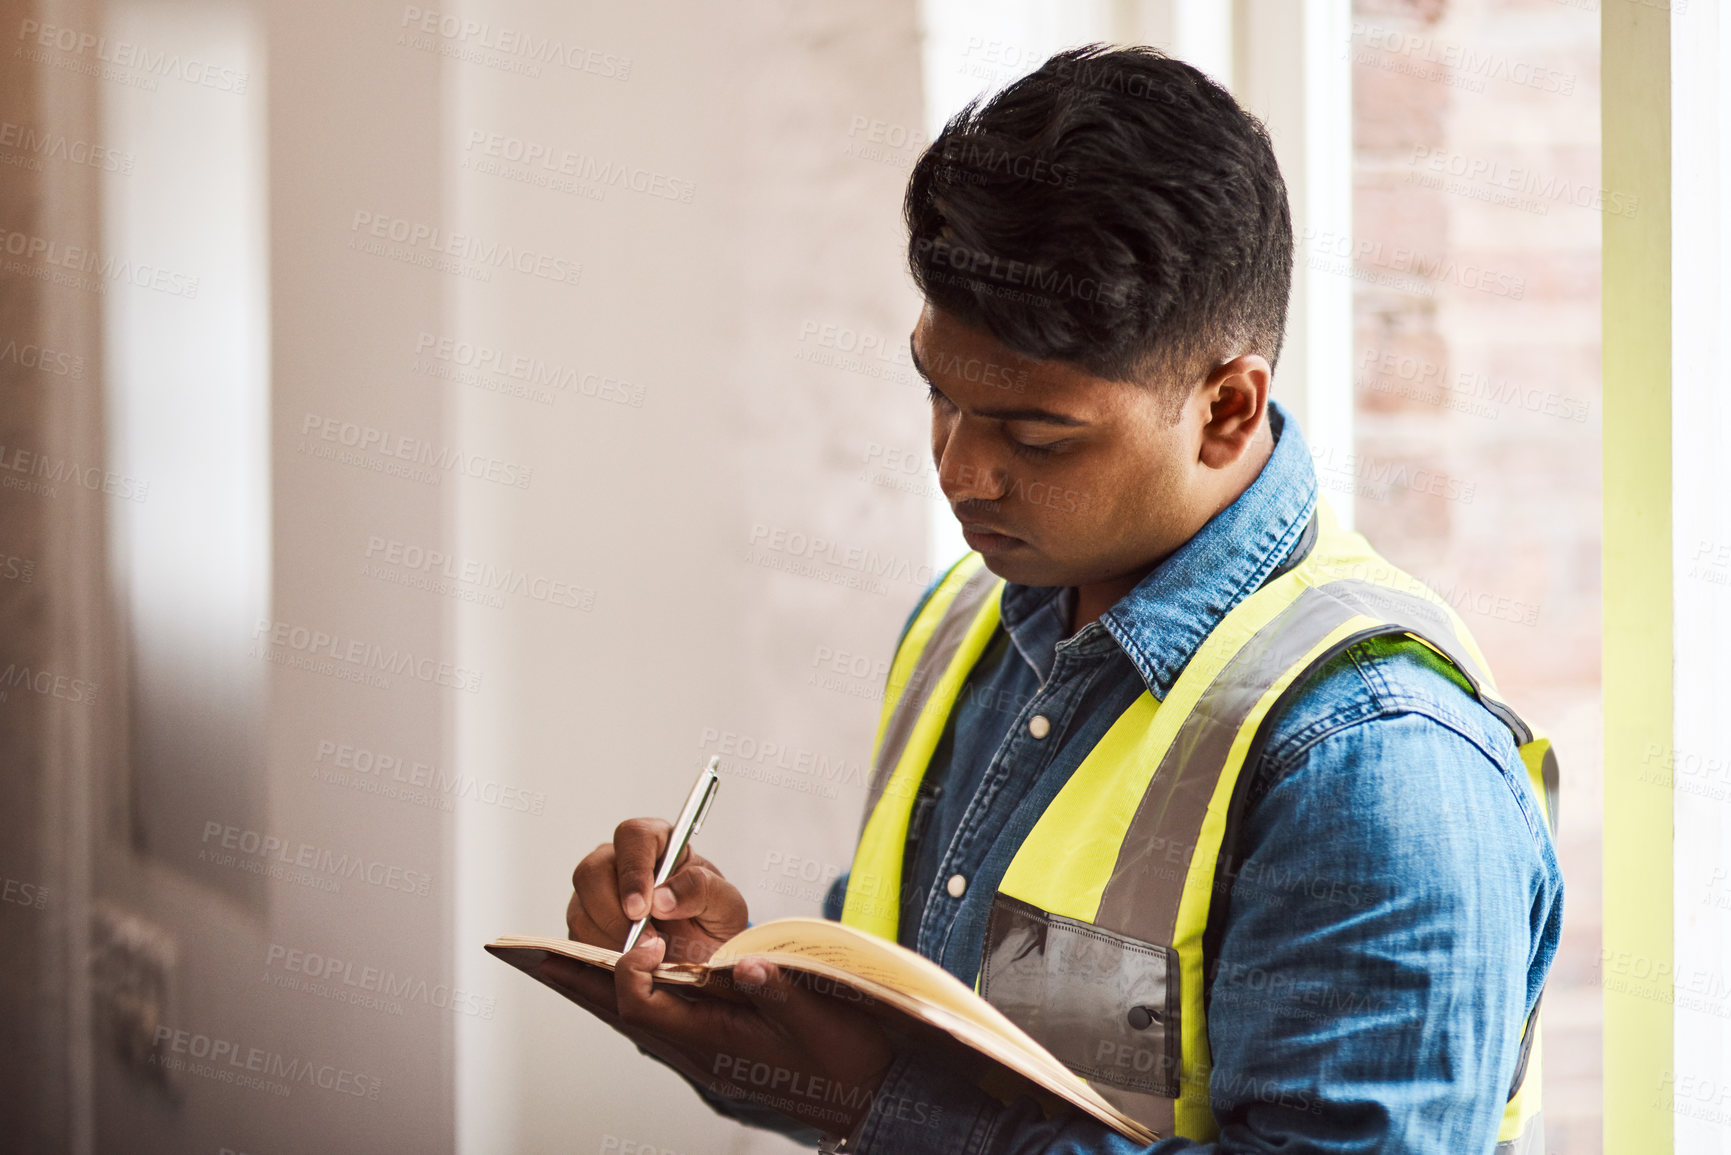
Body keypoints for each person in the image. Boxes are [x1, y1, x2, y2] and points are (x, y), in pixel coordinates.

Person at [549, 45, 1563, 1155]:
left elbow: (897, 1102)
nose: (959, 472)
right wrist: (738, 1000)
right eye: (939, 396)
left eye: (1035, 433)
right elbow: (904, 1036)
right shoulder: (966, 622)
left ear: (1227, 407)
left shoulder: (1374, 762)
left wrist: (877, 1109)